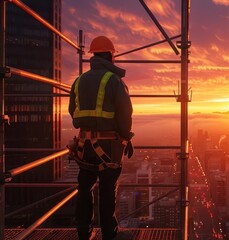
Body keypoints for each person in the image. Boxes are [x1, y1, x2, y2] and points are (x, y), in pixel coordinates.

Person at [68, 36, 134, 240]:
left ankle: (84, 231)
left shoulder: (78, 81)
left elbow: (73, 111)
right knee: (107, 190)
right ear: (109, 55)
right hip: (108, 146)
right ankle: (109, 234)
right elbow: (125, 113)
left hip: (84, 145)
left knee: (85, 187)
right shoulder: (113, 81)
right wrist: (126, 137)